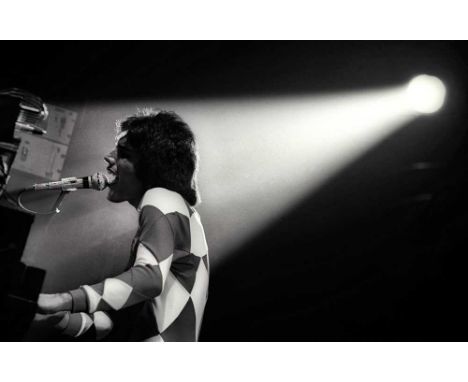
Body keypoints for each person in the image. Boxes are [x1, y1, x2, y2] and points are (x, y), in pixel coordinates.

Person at [35, 110, 209, 341]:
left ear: (152, 165)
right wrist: (57, 317)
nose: (109, 158)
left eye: (123, 153)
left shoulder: (163, 197)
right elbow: (117, 323)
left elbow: (149, 278)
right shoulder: (178, 213)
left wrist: (60, 299)